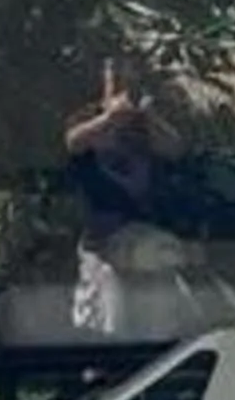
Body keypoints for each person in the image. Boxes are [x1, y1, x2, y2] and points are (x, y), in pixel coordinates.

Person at [63, 63, 187, 333]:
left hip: (145, 237)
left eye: (128, 85)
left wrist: (149, 117)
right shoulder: (89, 117)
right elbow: (73, 141)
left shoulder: (144, 126)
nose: (122, 92)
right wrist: (109, 119)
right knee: (107, 319)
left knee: (155, 315)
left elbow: (175, 149)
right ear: (105, 85)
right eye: (116, 84)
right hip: (102, 238)